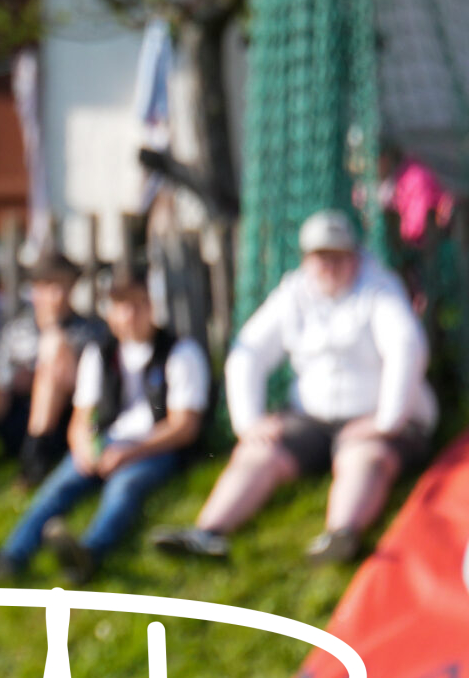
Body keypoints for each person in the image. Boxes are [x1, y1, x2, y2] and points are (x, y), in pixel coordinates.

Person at [152, 210, 434, 566]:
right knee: (258, 452)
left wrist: (388, 419)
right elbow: (247, 354)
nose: (329, 265)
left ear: (354, 255)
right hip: (311, 417)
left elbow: (406, 348)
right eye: (320, 256)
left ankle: (341, 534)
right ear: (306, 259)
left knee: (363, 456)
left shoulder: (380, 289)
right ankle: (207, 532)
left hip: (376, 418)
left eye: (338, 255)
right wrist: (248, 422)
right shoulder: (293, 293)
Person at [0, 273, 207, 583]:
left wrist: (131, 452)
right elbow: (82, 416)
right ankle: (10, 558)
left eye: (138, 306)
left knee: (123, 488)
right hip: (108, 440)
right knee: (56, 489)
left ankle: (89, 553)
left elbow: (184, 426)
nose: (130, 315)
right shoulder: (101, 352)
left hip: (155, 446)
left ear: (152, 308)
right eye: (121, 307)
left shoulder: (181, 352)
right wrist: (82, 447)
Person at [0, 251, 107, 486]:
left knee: (54, 346)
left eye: (62, 286)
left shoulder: (92, 330)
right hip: (18, 414)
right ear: (34, 290)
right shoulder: (16, 330)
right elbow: (2, 378)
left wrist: (53, 347)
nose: (57, 294)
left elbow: (95, 381)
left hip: (66, 419)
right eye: (48, 285)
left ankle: (35, 458)